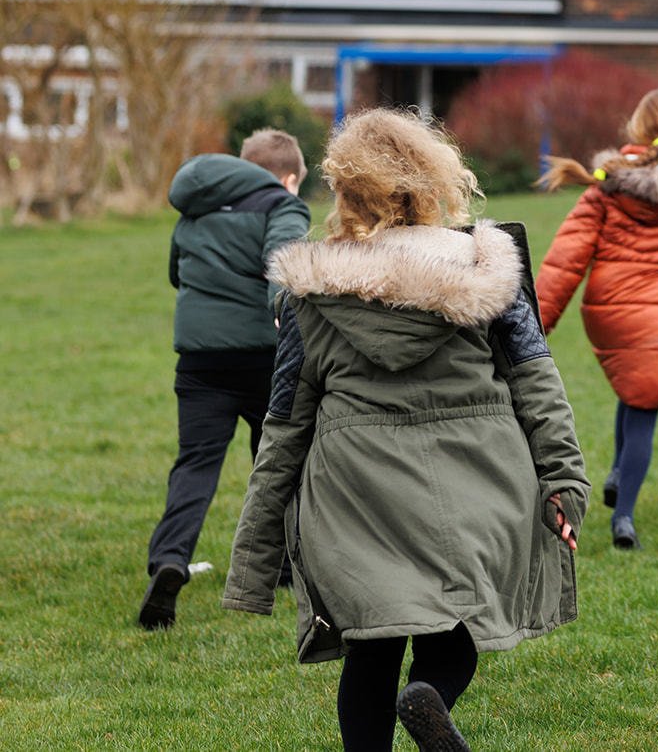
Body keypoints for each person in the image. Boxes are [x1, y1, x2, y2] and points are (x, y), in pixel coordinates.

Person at [221, 109, 588, 752]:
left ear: (346, 192)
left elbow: (283, 427)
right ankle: (431, 698)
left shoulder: (310, 294)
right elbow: (536, 379)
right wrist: (563, 478)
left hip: (355, 492)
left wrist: (254, 561)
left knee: (372, 652)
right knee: (454, 639)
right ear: (435, 181)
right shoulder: (487, 269)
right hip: (479, 477)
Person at [139, 128, 311, 631]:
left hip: (199, 358)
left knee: (195, 463)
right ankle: (285, 565)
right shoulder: (285, 207)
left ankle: (170, 559)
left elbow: (177, 272)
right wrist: (281, 310)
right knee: (278, 459)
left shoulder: (196, 204)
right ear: (288, 177)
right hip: (264, 358)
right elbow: (283, 268)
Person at [536, 88, 658, 551]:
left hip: (611, 315)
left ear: (637, 126)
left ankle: (615, 474)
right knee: (644, 408)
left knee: (632, 390)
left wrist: (534, 329)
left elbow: (564, 264)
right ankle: (625, 518)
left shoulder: (607, 185)